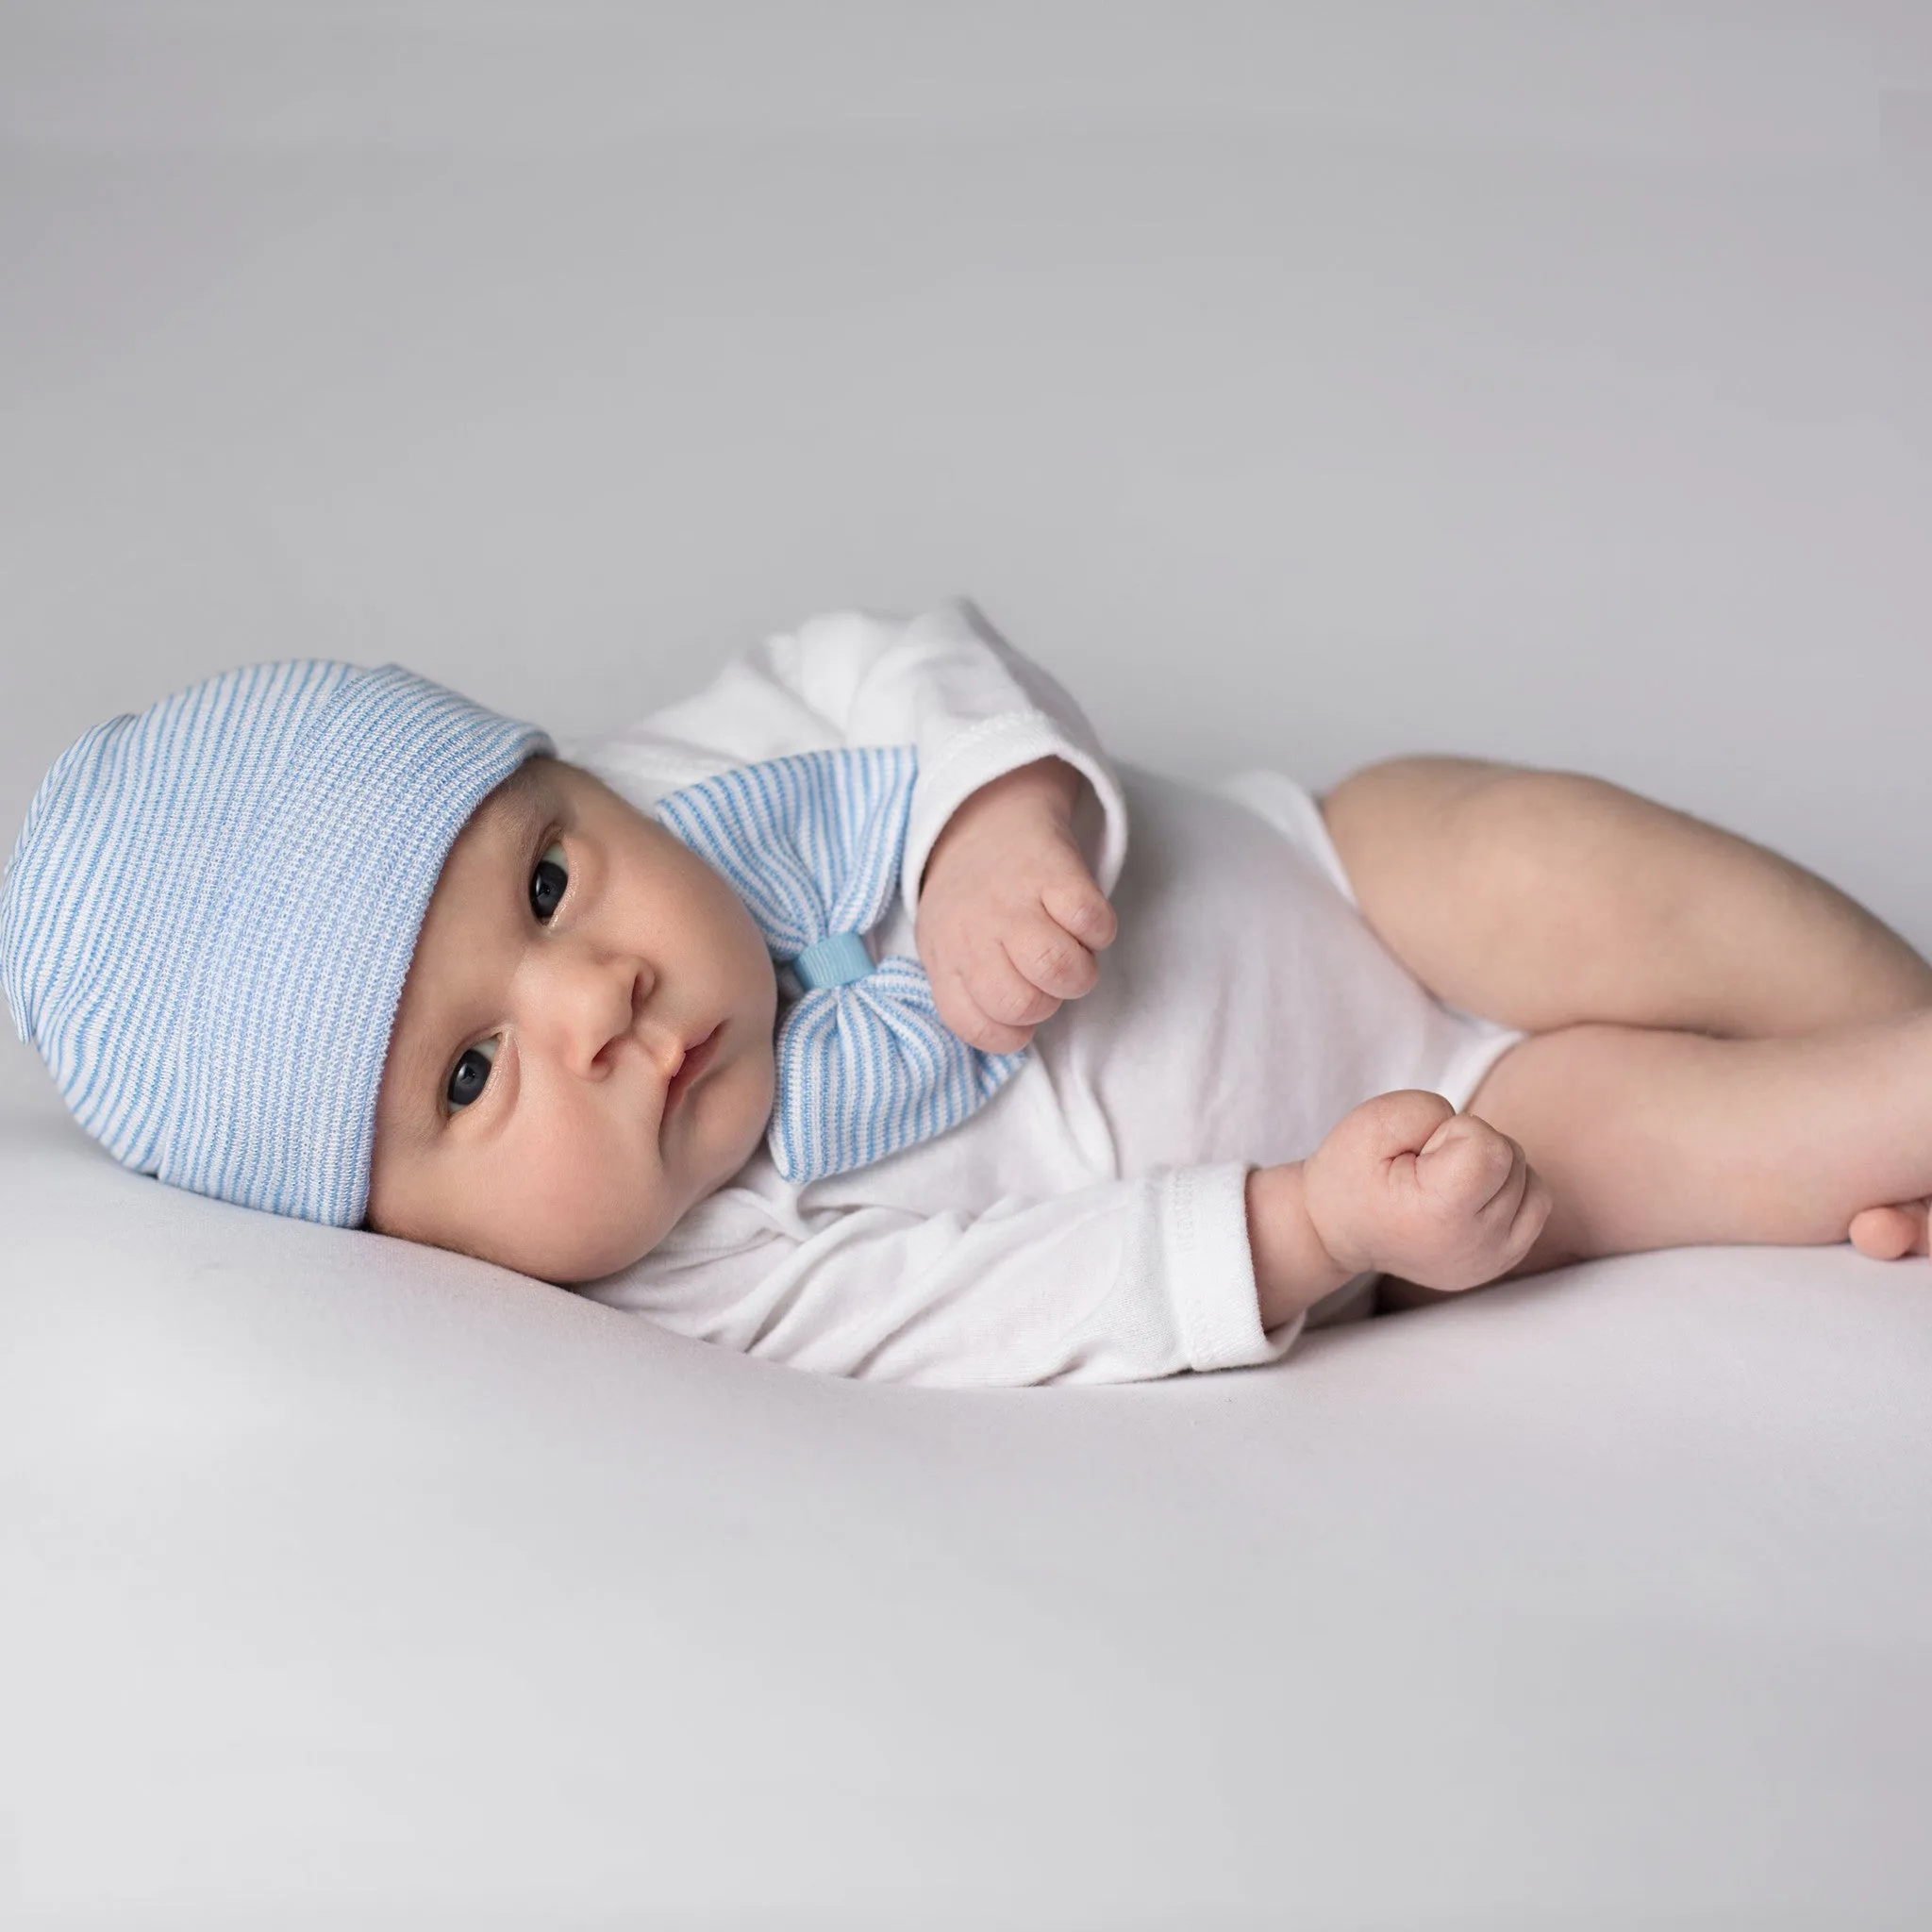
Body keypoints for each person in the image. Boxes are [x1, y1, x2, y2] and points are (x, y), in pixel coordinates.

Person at [6, 599, 1928, 1386]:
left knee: (1548, 855)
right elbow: (1014, 1302)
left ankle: (1885, 999)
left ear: (572, 780)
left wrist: (993, 823)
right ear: (397, 1233)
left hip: (1342, 860)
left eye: (541, 876)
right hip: (1434, 1143)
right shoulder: (706, 1275)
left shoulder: (698, 771)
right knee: (1665, 1149)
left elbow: (895, 652)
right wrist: (1321, 1215)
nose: (590, 993)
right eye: (472, 1074)